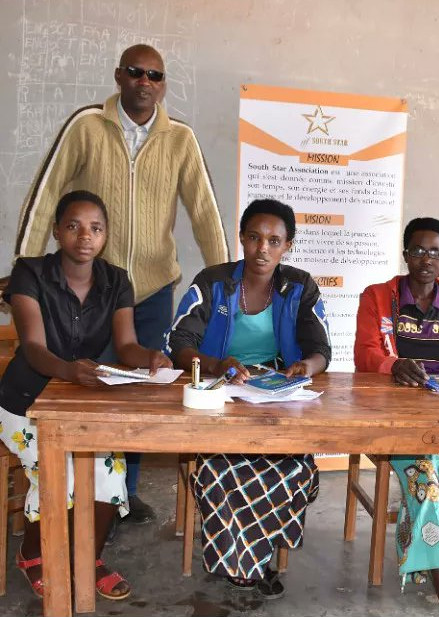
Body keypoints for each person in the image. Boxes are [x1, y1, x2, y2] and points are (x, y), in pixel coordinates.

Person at [5, 44, 229, 525]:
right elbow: (48, 192)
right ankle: (74, 492)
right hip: (90, 290)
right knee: (87, 386)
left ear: (163, 85)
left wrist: (225, 285)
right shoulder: (86, 125)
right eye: (135, 72)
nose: (145, 81)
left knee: (141, 391)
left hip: (150, 290)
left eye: (155, 75)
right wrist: (27, 267)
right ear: (119, 76)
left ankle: (122, 493)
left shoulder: (180, 138)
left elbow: (205, 212)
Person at [0, 190, 172, 600]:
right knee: (58, 468)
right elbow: (33, 347)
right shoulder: (30, 273)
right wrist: (69, 369)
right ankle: (32, 554)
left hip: (81, 399)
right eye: (74, 226)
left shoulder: (116, 281)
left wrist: (150, 357)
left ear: (105, 236)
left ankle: (88, 558)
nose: (85, 236)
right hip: (23, 400)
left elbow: (126, 346)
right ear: (57, 231)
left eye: (96, 228)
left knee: (109, 469)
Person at [164, 199, 330, 597]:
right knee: (221, 469)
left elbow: (321, 349)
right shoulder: (213, 281)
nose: (262, 249)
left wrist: (305, 367)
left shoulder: (300, 286)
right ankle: (251, 565)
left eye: (274, 241)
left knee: (289, 469)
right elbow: (179, 342)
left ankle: (247, 559)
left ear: (288, 245)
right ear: (241, 238)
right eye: (254, 237)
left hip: (276, 396)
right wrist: (217, 364)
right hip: (219, 393)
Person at [355, 217, 439, 617]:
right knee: (427, 486)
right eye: (417, 250)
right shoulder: (379, 297)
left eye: (435, 252)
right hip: (398, 423)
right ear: (405, 254)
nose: (426, 259)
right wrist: (393, 365)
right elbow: (364, 354)